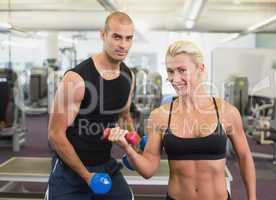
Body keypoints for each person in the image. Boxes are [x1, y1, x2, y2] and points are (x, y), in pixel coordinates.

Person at [108, 40, 257, 200]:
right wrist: (127, 148)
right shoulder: (160, 116)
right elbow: (148, 171)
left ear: (201, 69)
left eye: (182, 70)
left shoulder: (226, 112)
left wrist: (252, 198)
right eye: (170, 71)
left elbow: (244, 157)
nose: (175, 78)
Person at [46, 11, 135, 200]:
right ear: (103, 35)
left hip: (105, 164)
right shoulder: (76, 79)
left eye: (128, 38)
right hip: (70, 171)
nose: (123, 45)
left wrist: (134, 149)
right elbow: (55, 134)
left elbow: (124, 116)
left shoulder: (129, 76)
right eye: (117, 37)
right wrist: (86, 176)